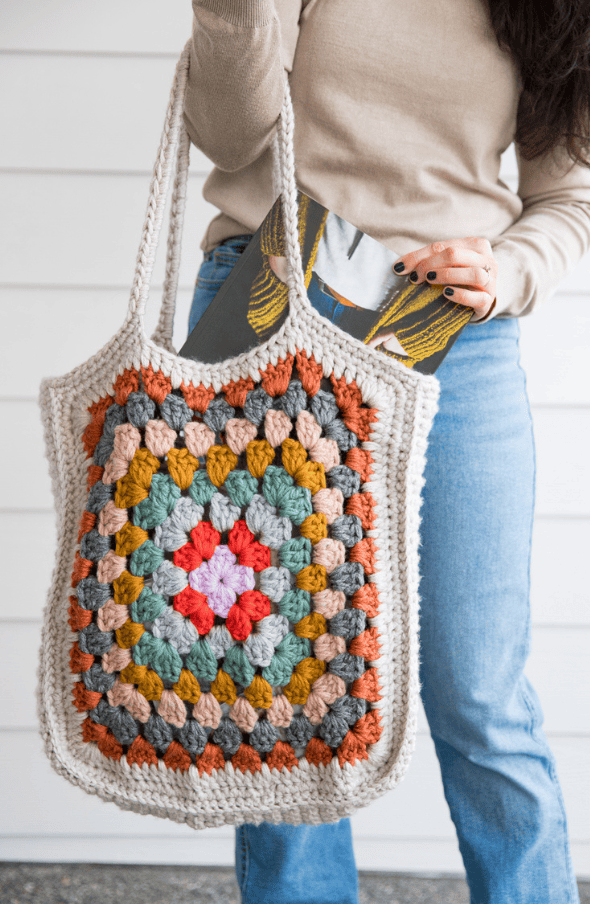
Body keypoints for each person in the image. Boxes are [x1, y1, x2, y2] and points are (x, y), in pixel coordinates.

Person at [182, 1, 590, 902]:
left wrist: (509, 269)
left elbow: (569, 196)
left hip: (454, 328)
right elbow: (222, 132)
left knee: (478, 690)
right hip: (268, 303)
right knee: (280, 681)